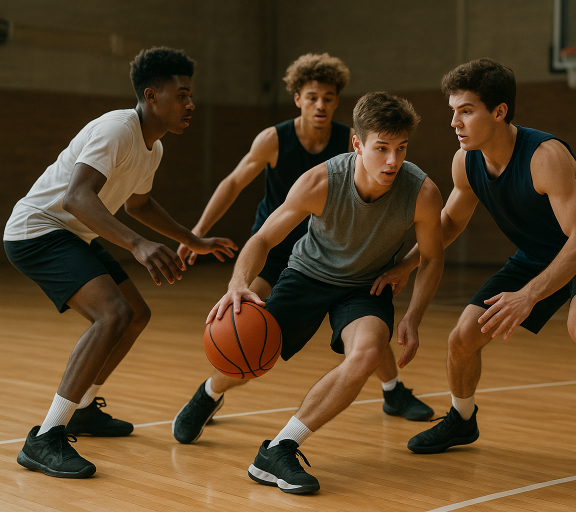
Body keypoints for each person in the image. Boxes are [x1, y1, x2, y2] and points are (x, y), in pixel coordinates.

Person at [376, 58, 576, 496]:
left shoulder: (546, 157)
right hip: (537, 254)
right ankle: (462, 420)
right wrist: (406, 264)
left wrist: (528, 295)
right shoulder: (466, 162)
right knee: (462, 337)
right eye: (453, 111)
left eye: (466, 110)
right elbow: (448, 224)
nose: (454, 122)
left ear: (499, 111)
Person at [172, 54, 432, 448]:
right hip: (294, 253)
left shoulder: (373, 153)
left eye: (329, 98)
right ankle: (209, 393)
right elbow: (242, 198)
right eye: (312, 98)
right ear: (298, 99)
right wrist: (206, 245)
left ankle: (391, 390)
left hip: (359, 262)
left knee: (369, 342)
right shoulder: (284, 148)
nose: (321, 106)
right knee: (250, 337)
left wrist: (409, 282)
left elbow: (435, 247)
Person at [3, 47, 237, 479]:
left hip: (72, 231)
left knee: (135, 315)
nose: (190, 104)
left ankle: (85, 409)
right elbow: (77, 197)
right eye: (182, 95)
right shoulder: (117, 129)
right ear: (152, 95)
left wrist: (193, 239)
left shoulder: (153, 148)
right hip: (37, 232)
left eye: (191, 95)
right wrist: (137, 246)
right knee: (112, 314)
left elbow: (140, 205)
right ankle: (45, 438)